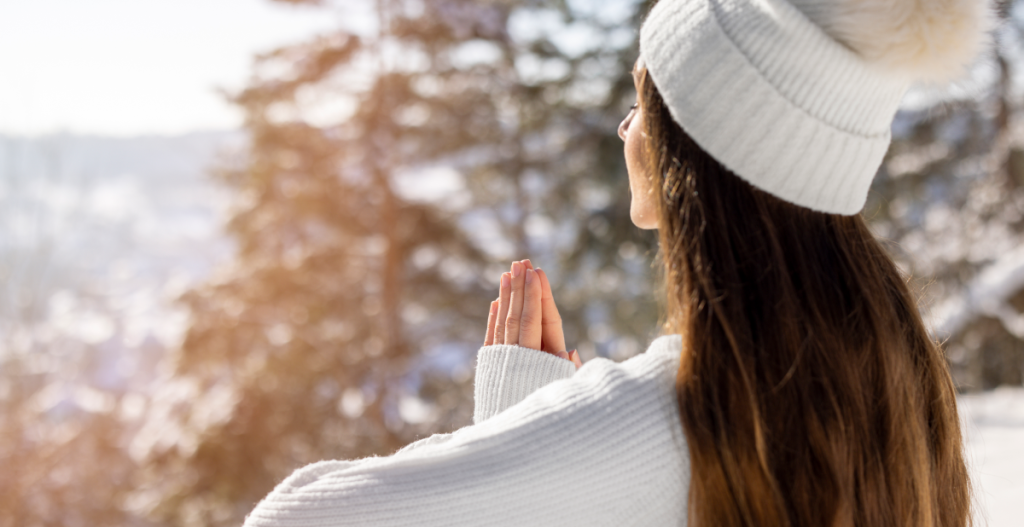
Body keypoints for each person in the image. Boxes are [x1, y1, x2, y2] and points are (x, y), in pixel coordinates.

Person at [244, 0, 991, 525]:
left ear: (692, 150)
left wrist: (530, 435)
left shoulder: (664, 415)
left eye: (642, 102)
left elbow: (295, 516)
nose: (627, 129)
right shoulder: (904, 387)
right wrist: (536, 452)